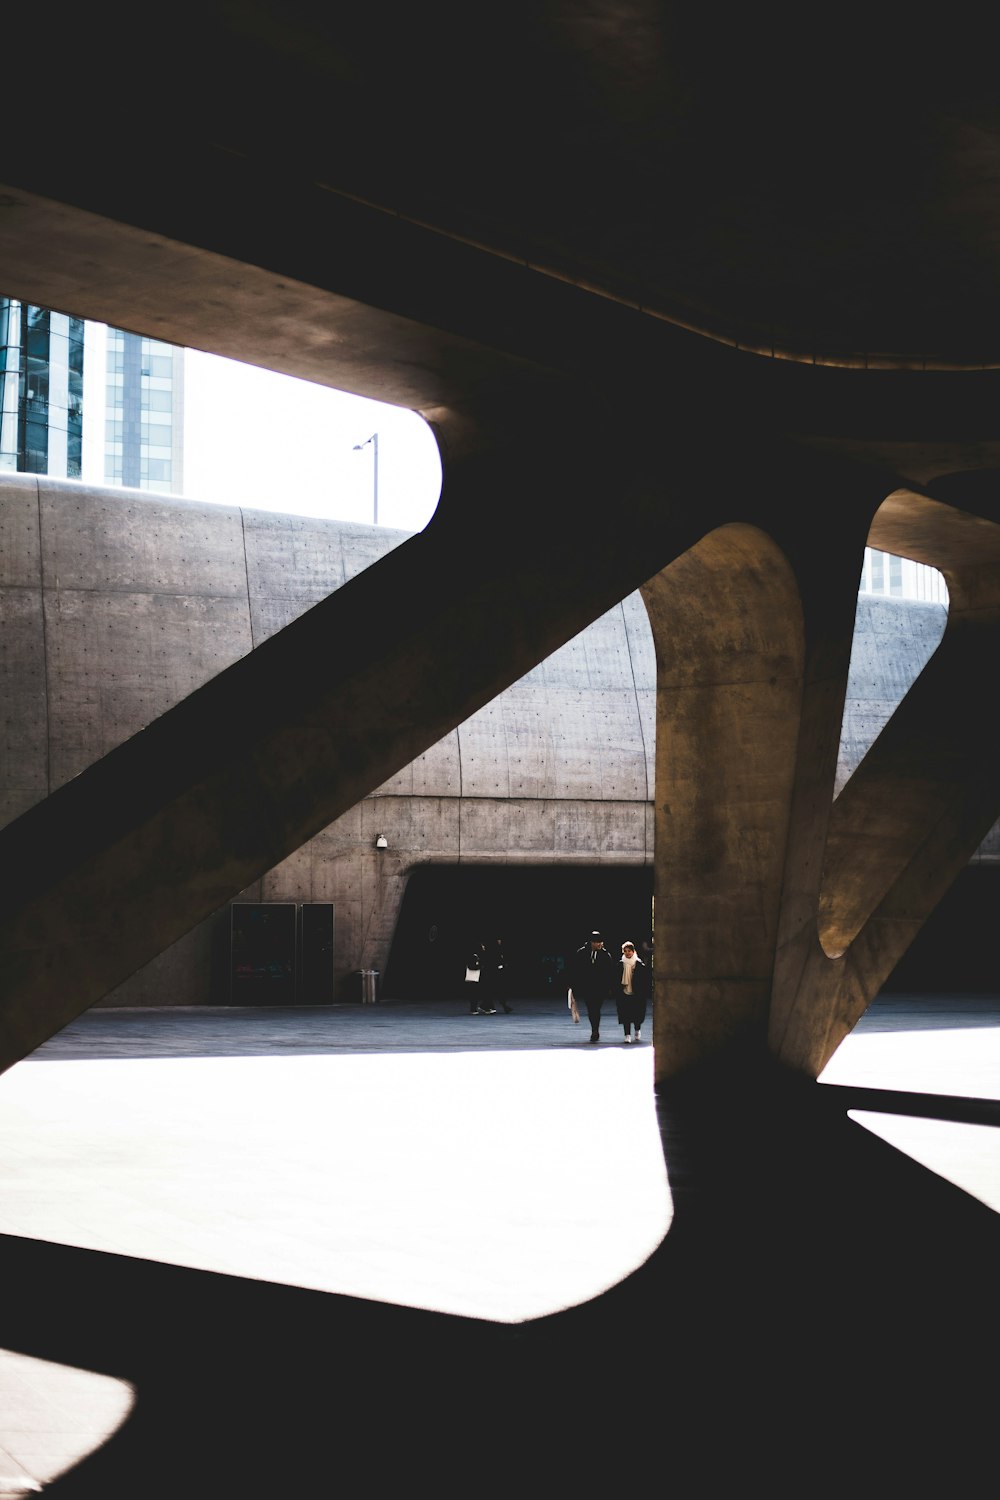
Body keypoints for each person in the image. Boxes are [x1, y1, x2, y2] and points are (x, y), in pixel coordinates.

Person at [567, 930, 616, 1043]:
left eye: (600, 942)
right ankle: (594, 1029)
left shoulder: (605, 955)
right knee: (591, 1008)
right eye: (597, 942)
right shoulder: (582, 953)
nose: (599, 944)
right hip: (587, 987)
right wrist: (571, 983)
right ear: (591, 942)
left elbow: (610, 972)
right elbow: (574, 969)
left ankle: (595, 1030)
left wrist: (610, 988)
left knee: (596, 1008)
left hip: (600, 987)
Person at [617, 940, 649, 1044]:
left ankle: (637, 1029)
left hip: (637, 994)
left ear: (633, 951)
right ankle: (627, 1035)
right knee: (625, 1014)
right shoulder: (620, 964)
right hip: (624, 993)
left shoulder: (639, 964)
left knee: (637, 1015)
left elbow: (644, 980)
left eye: (629, 951)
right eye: (625, 951)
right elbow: (616, 978)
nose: (627, 953)